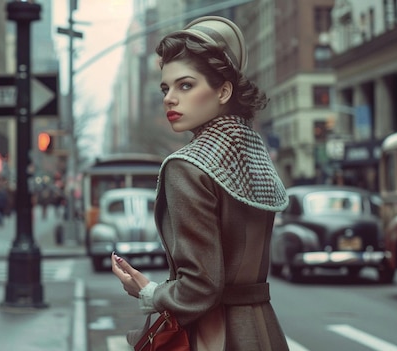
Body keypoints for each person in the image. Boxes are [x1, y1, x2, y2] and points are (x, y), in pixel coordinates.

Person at [111, 16, 290, 350]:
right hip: (263, 330)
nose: (169, 98)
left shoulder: (188, 166)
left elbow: (201, 286)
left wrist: (148, 292)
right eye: (166, 88)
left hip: (213, 335)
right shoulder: (254, 154)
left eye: (186, 85)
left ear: (223, 90)